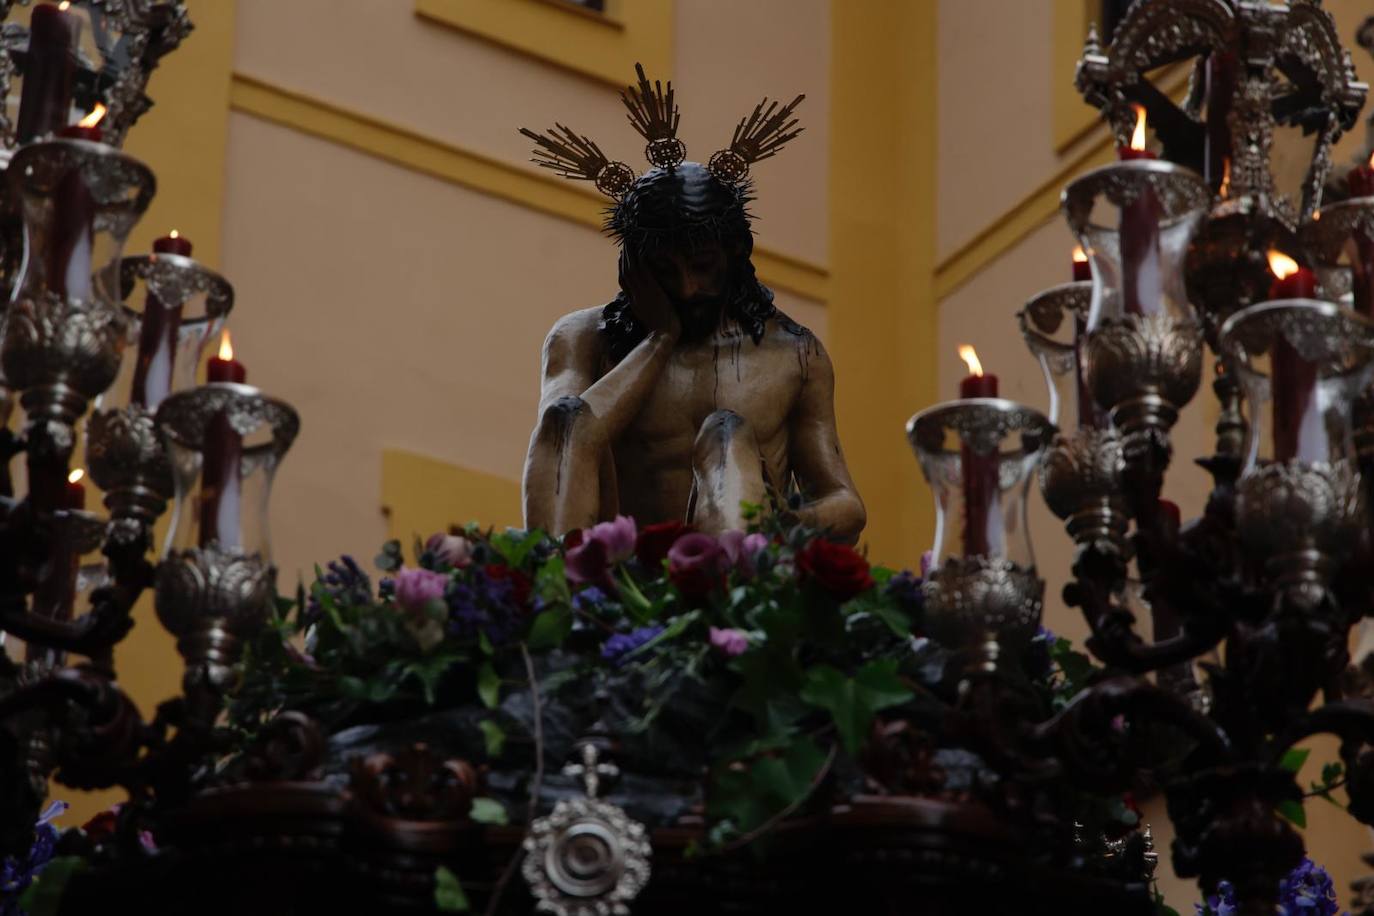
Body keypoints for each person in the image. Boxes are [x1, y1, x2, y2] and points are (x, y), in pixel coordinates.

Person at [519, 67, 864, 542]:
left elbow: (843, 501)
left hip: (732, 580)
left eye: (703, 266)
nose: (686, 288)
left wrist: (781, 526)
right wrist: (660, 338)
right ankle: (555, 583)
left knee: (727, 433)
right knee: (566, 414)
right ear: (634, 269)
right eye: (664, 271)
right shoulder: (583, 337)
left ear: (735, 254)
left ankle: (730, 573)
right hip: (615, 576)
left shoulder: (794, 353)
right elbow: (564, 446)